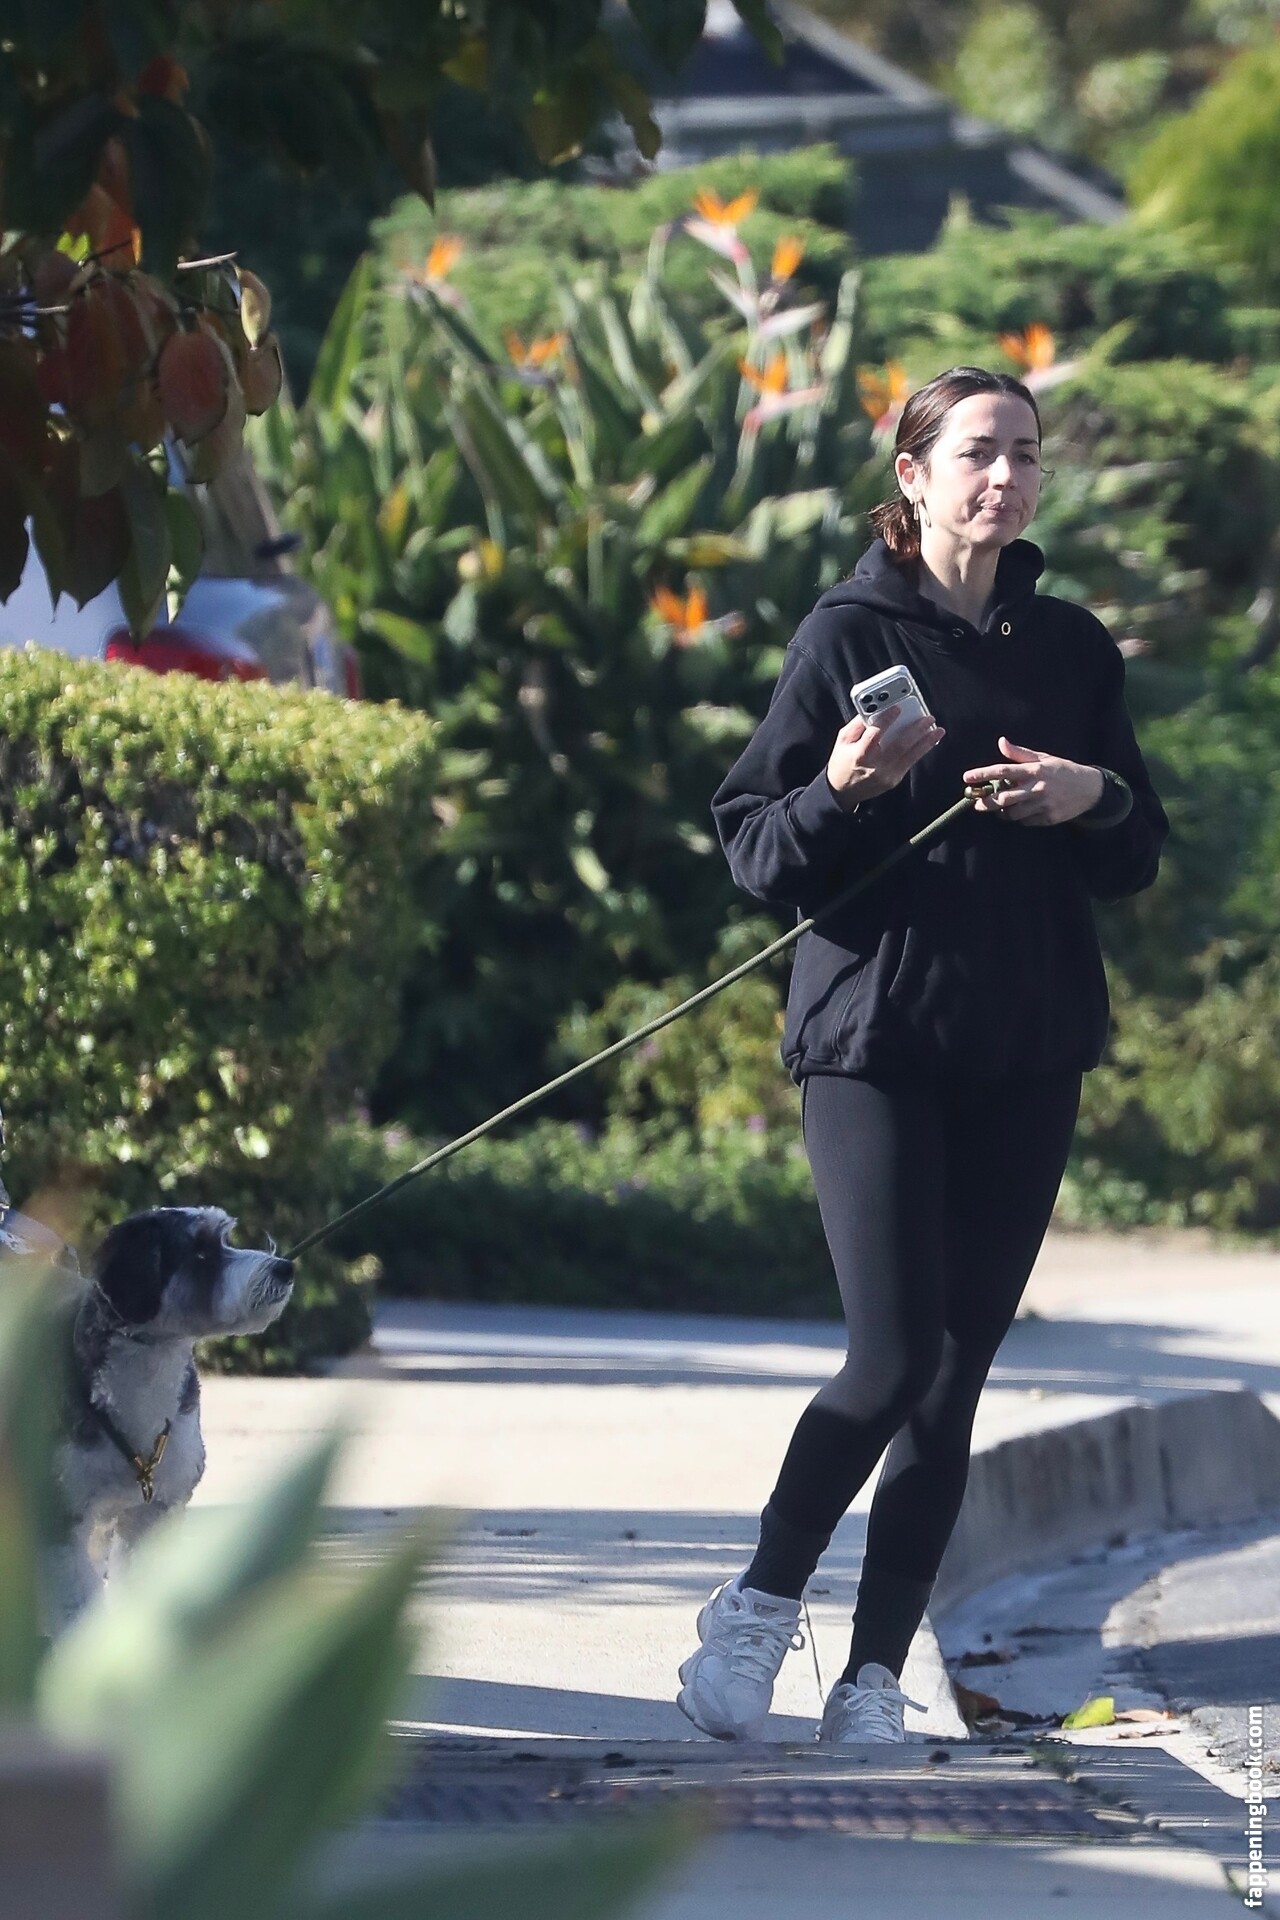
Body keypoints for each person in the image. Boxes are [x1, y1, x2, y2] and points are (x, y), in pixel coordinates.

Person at [676, 365, 1169, 1746]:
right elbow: (755, 847)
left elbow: (1136, 848)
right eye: (976, 453)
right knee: (889, 1358)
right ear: (913, 475)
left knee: (954, 1383)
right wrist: (842, 788)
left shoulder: (1071, 648)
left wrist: (1087, 793)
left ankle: (875, 1677)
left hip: (1029, 1047)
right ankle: (759, 1609)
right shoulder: (848, 631)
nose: (1005, 478)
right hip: (875, 1039)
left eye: (1025, 454)